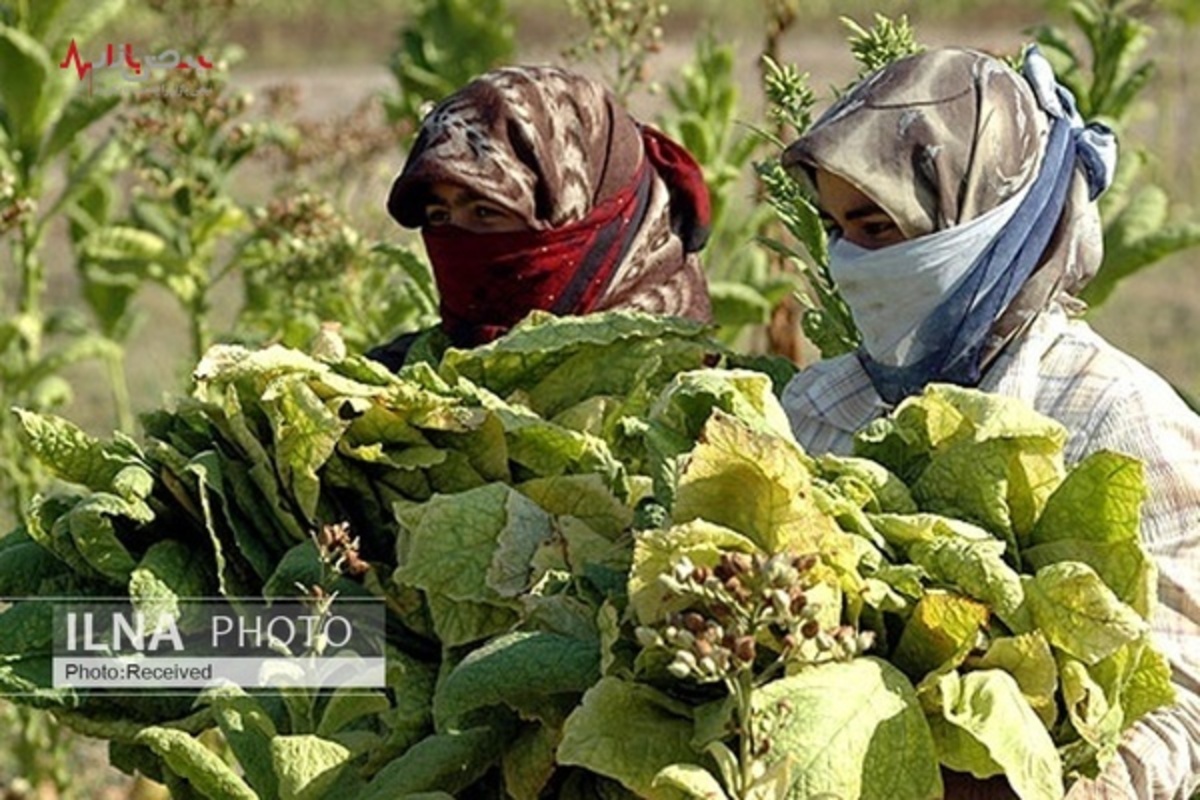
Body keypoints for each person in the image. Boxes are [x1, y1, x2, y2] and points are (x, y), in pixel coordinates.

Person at [779, 46, 1200, 798]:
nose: (852, 261)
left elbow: (1183, 709)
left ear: (983, 221)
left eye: (878, 226)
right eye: (837, 228)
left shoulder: (1117, 418)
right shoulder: (818, 408)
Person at [367, 64, 713, 370]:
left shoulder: (691, 399)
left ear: (586, 219)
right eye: (439, 215)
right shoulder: (400, 386)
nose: (462, 240)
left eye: (485, 211)